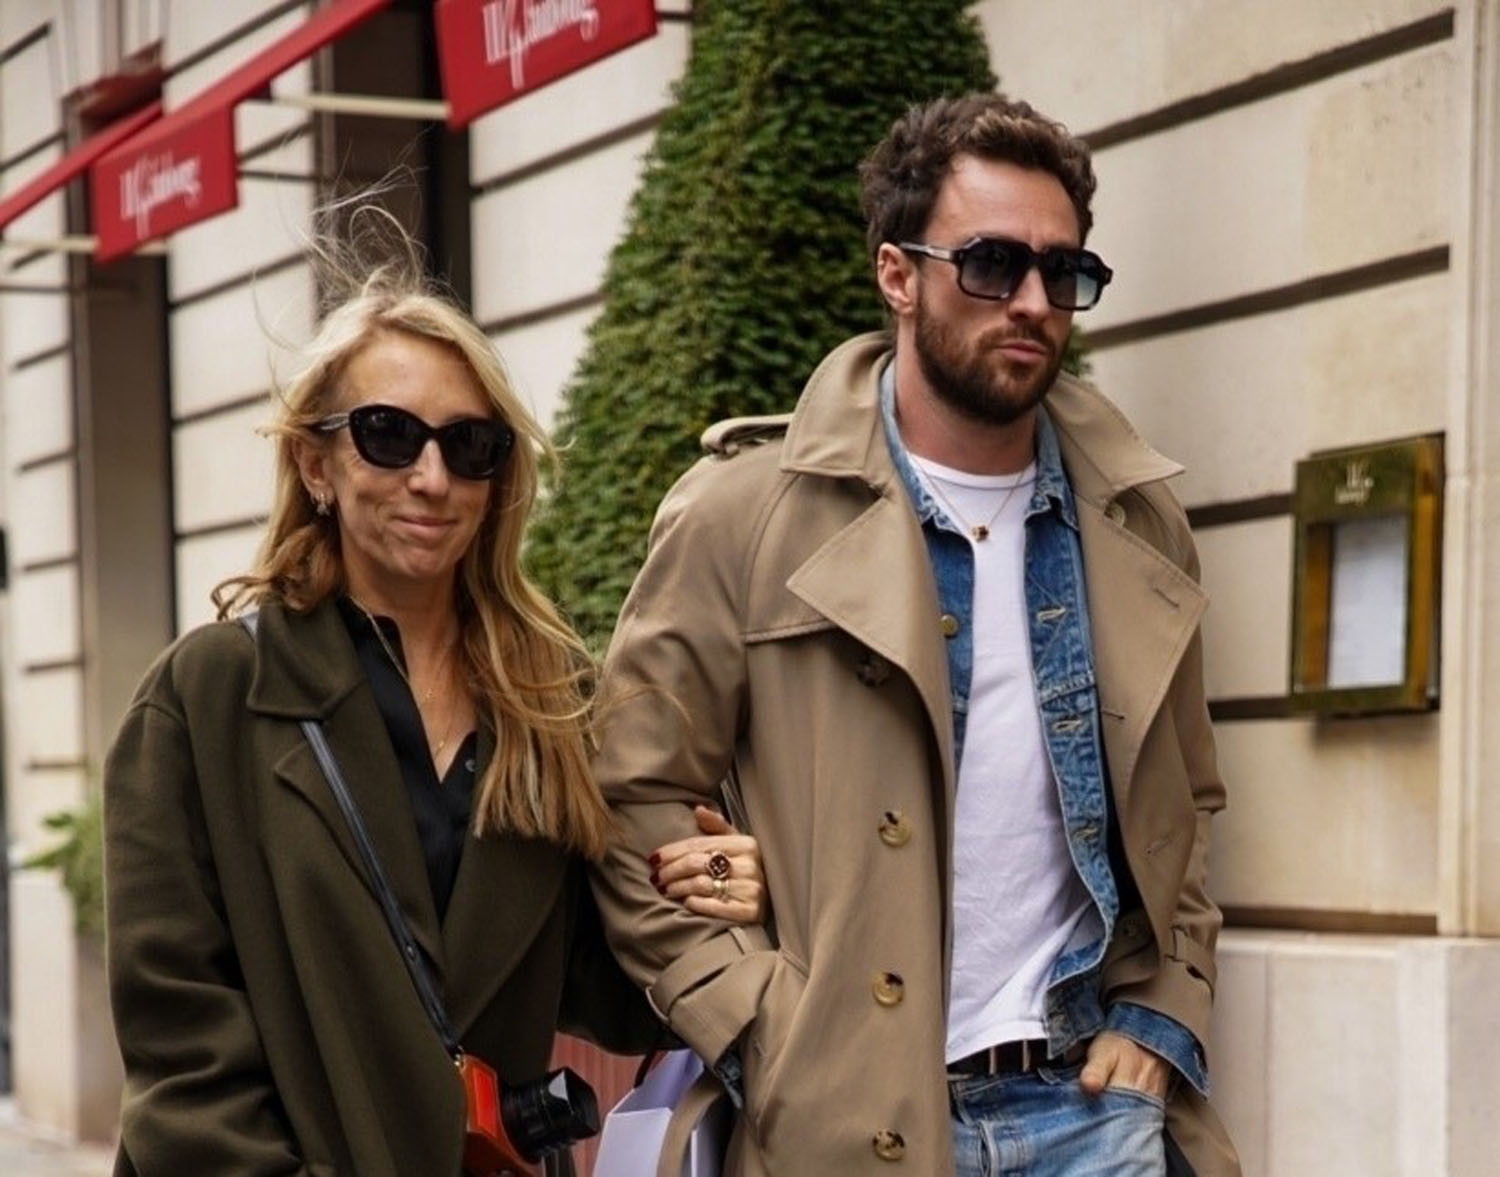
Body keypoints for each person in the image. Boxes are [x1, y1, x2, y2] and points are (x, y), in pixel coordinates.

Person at [589, 93, 1241, 1176]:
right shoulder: (742, 515)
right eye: (990, 264)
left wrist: (1165, 1008)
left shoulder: (1138, 519)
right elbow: (629, 797)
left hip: (1094, 1108)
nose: (1030, 301)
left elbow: (1188, 804)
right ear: (897, 274)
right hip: (847, 1116)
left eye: (1062, 272)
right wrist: (759, 1024)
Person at [102, 219, 765, 1177]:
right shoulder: (208, 697)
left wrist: (712, 891)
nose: (431, 477)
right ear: (317, 464)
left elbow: (602, 984)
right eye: (388, 435)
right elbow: (179, 1040)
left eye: (470, 446)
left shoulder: (550, 700)